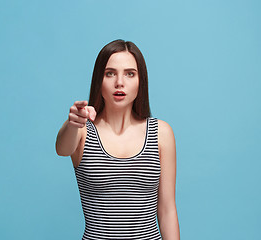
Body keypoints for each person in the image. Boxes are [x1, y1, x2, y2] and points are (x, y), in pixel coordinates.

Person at [55, 39, 180, 239]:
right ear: (99, 80)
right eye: (110, 73)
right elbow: (62, 149)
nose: (119, 82)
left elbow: (166, 210)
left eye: (130, 73)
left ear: (141, 81)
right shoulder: (82, 131)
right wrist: (72, 123)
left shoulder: (161, 133)